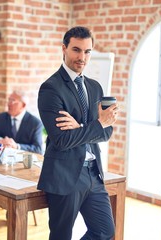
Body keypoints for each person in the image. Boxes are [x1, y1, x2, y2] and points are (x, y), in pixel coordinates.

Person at [37, 26, 120, 240]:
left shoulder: (95, 88)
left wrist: (84, 128)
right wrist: (96, 125)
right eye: (76, 50)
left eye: (87, 51)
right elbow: (62, 139)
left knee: (105, 231)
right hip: (65, 174)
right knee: (61, 236)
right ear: (64, 49)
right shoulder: (51, 88)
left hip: (93, 172)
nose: (82, 57)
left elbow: (106, 132)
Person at [0, 90, 43, 154]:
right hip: (3, 160)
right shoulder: (1, 118)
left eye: (13, 101)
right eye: (9, 100)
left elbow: (38, 148)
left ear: (23, 105)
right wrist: (0, 140)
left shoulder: (35, 123)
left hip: (23, 162)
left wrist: (17, 146)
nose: (9, 103)